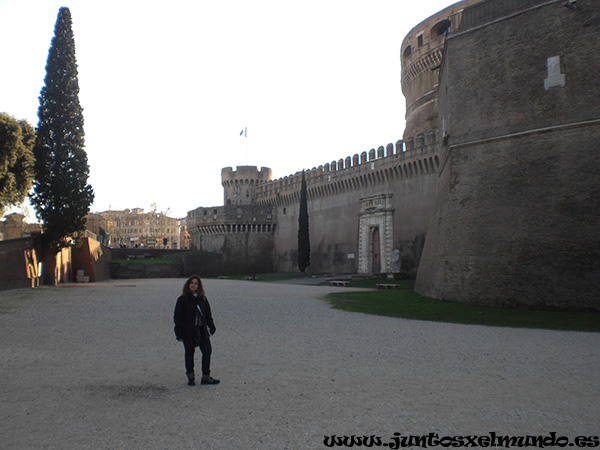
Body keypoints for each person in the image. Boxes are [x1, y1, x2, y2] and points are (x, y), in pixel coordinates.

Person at [173, 275, 220, 386]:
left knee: (207, 351)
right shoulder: (182, 300)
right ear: (188, 285)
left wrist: (211, 326)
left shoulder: (202, 299)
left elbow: (208, 314)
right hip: (188, 331)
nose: (193, 285)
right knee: (189, 353)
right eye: (192, 283)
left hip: (201, 329)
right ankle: (191, 377)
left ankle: (205, 376)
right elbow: (177, 317)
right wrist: (178, 332)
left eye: (196, 283)